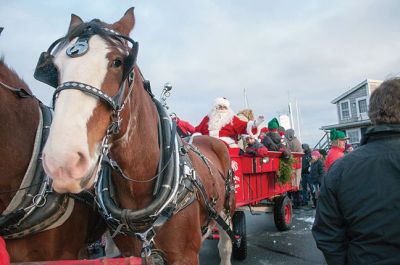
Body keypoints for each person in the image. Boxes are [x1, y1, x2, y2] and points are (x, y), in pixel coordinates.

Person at [312, 78, 400, 265]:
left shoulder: (342, 167)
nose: (345, 142)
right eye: (343, 140)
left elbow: (328, 234)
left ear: (373, 115)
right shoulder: (338, 159)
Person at [195, 97, 263, 148]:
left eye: (224, 107)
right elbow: (198, 130)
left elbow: (243, 126)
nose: (221, 109)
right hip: (207, 142)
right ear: (215, 107)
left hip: (226, 144)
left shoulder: (231, 118)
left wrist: (254, 124)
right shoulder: (208, 118)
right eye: (219, 106)